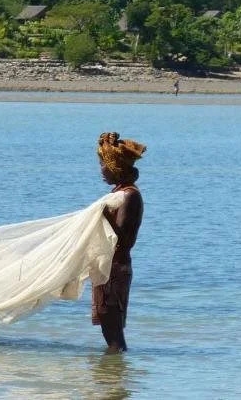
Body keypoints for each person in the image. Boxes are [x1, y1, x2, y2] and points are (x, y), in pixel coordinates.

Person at [93, 132, 146, 353]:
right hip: (107, 267)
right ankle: (114, 371)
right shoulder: (118, 193)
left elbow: (122, 239)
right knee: (107, 325)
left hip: (115, 269)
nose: (101, 170)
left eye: (104, 165)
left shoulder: (129, 196)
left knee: (113, 330)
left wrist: (104, 215)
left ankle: (116, 368)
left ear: (115, 167)